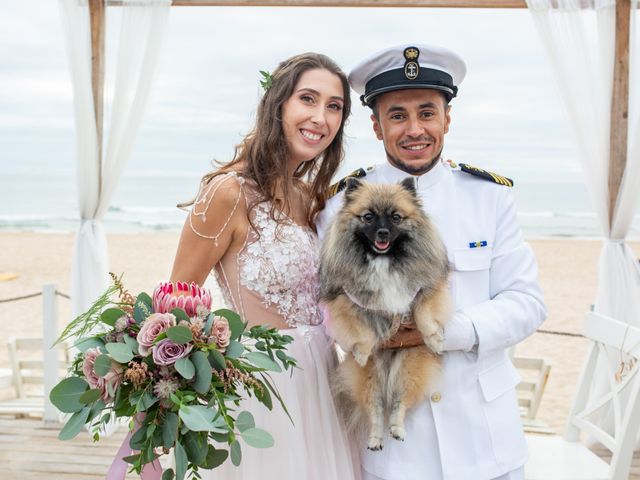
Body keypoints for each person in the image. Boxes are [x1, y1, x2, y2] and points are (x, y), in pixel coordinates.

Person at [317, 44, 547, 480]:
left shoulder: (489, 196)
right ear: (377, 125)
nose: (414, 129)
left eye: (427, 112)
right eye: (398, 116)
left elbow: (526, 302)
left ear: (447, 118)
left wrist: (437, 331)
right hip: (396, 449)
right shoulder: (341, 208)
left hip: (485, 440)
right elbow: (325, 304)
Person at [170, 52, 360, 480]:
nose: (320, 117)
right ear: (277, 105)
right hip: (261, 388)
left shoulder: (314, 200)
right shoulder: (228, 193)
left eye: (334, 107)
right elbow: (176, 301)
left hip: (326, 380)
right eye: (307, 99)